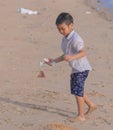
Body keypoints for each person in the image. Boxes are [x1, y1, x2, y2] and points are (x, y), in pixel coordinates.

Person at [46, 12, 97, 121]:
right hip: (75, 69)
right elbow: (65, 55)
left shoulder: (76, 39)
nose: (61, 31)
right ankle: (92, 105)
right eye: (58, 29)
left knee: (78, 92)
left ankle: (81, 116)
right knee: (77, 89)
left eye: (63, 29)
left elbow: (83, 52)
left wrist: (72, 57)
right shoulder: (65, 39)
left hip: (82, 68)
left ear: (71, 25)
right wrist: (54, 61)